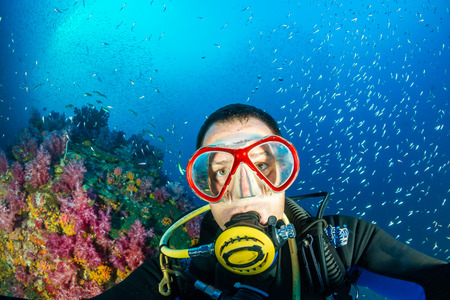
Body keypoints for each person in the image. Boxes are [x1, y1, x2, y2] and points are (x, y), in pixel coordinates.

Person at [93, 103, 449, 300]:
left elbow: (435, 277)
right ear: (204, 184)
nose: (244, 187)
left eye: (261, 165)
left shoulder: (344, 241)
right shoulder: (179, 271)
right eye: (220, 170)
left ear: (283, 174)